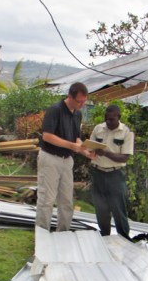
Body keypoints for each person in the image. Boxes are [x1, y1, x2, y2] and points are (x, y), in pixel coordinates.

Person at [36, 82, 94, 231]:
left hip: (67, 160)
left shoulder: (77, 114)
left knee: (66, 200)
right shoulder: (55, 110)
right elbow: (47, 136)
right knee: (47, 199)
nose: (81, 104)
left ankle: (63, 233)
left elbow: (77, 139)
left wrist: (85, 151)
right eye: (79, 101)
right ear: (70, 96)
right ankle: (42, 233)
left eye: (84, 101)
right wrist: (71, 146)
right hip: (50, 158)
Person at [89, 104, 134, 238]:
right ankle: (104, 236)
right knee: (101, 208)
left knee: (118, 208)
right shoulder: (98, 128)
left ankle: (124, 237)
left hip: (115, 174)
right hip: (97, 173)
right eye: (106, 119)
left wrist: (105, 153)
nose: (108, 122)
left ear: (118, 117)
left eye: (111, 119)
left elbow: (125, 157)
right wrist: (90, 150)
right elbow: (90, 146)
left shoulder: (126, 132)